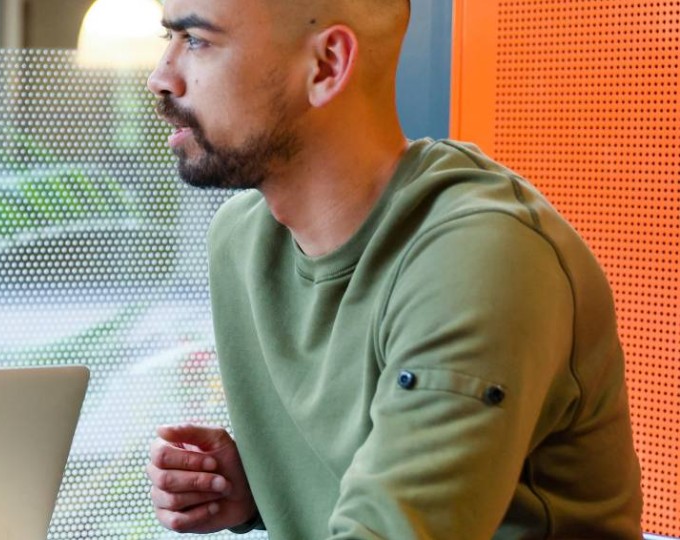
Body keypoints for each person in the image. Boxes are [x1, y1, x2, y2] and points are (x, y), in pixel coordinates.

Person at [140, 0, 642, 536]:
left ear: (327, 66)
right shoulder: (242, 240)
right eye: (167, 39)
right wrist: (259, 489)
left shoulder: (481, 256)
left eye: (197, 41)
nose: (161, 78)